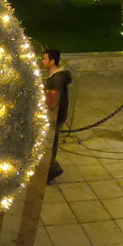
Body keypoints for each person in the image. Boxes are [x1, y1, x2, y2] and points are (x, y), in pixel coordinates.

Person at [43, 49, 72, 184]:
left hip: (55, 117)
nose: (42, 61)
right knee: (51, 142)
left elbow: (54, 100)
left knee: (50, 142)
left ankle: (53, 169)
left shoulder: (58, 79)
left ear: (52, 61)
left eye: (45, 59)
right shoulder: (56, 76)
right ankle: (50, 169)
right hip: (56, 116)